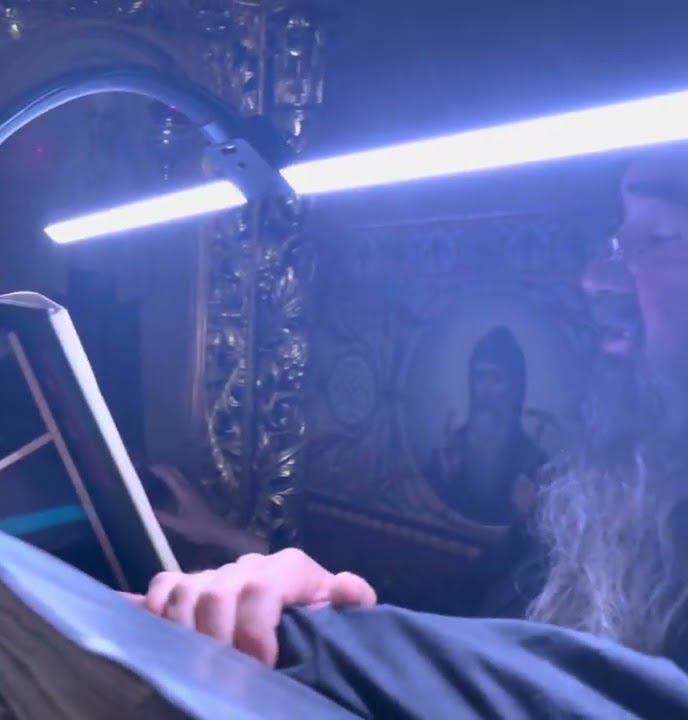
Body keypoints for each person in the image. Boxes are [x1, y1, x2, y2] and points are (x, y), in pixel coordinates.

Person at [133, 147, 688, 678]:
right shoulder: (599, 494)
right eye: (617, 241)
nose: (597, 277)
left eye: (659, 236)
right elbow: (454, 623)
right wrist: (271, 564)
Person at [423, 326, 548, 525]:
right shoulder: (448, 453)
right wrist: (446, 481)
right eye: (479, 377)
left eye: (496, 379)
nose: (485, 391)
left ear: (515, 388)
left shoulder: (535, 463)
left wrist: (527, 512)